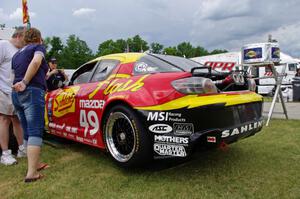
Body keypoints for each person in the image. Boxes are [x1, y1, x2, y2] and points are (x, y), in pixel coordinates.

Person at [11, 27, 48, 182]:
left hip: (16, 94)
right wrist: (25, 82)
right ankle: (31, 173)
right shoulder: (38, 48)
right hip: (31, 91)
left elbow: (12, 76)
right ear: (39, 38)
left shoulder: (16, 55)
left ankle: (35, 164)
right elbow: (36, 61)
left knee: (27, 131)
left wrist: (19, 85)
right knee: (35, 131)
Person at [0, 27, 26, 166]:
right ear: (19, 36)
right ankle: (5, 154)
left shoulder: (20, 50)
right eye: (25, 38)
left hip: (15, 92)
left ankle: (21, 149)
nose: (26, 42)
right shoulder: (3, 45)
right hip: (3, 90)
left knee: (17, 119)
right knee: (4, 120)